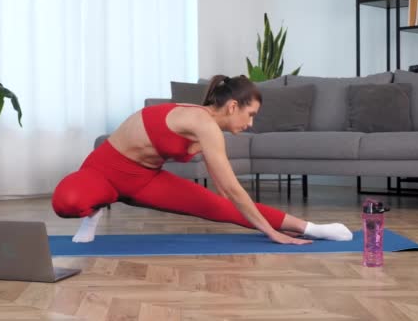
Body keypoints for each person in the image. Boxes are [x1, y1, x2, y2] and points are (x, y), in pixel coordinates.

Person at [52, 75, 353, 244]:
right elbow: (236, 189)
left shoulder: (208, 125)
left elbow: (226, 191)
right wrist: (271, 233)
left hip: (145, 181)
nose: (250, 124)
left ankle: (313, 228)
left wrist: (231, 206)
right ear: (233, 106)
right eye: (250, 115)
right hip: (106, 171)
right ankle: (92, 214)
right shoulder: (202, 122)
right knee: (66, 201)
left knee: (223, 207)